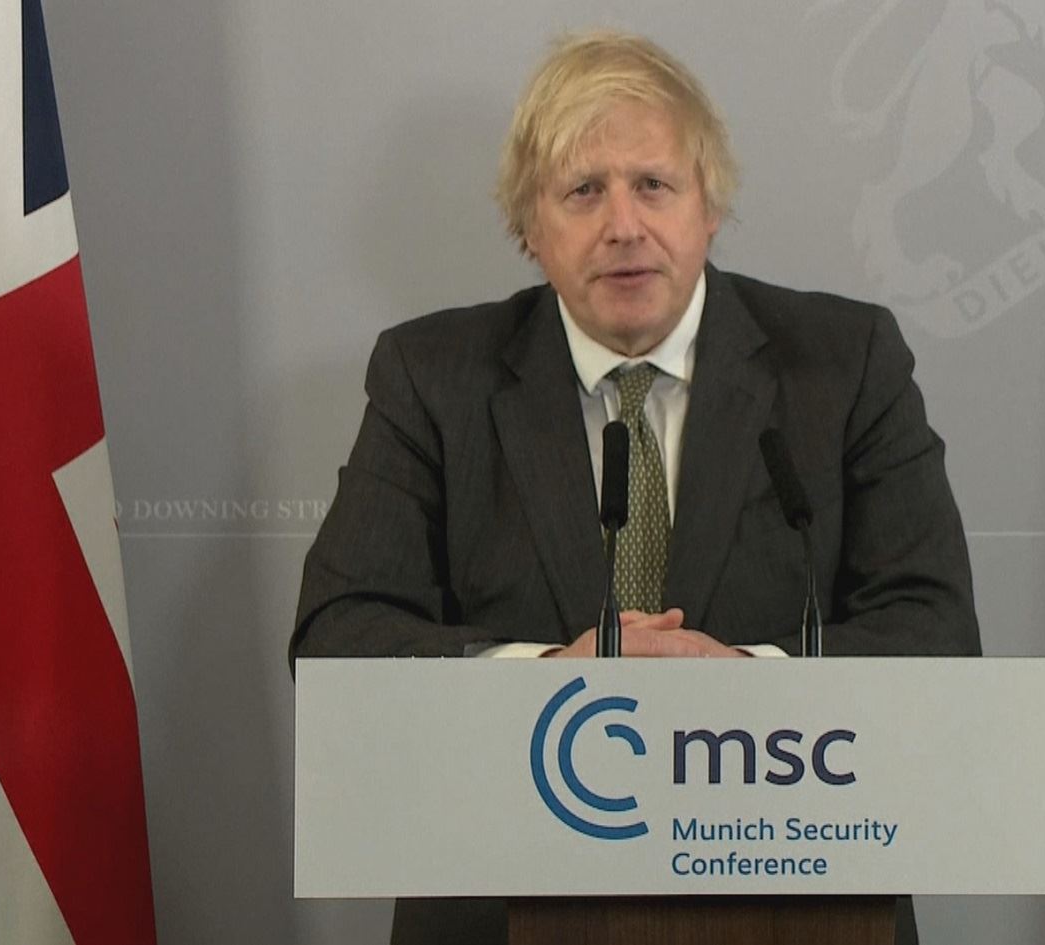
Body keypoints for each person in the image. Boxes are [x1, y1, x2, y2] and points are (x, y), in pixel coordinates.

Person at [291, 29, 979, 945]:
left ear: (709, 206)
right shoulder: (433, 377)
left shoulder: (845, 363)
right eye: (584, 190)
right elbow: (337, 644)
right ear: (529, 229)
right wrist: (545, 684)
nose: (623, 224)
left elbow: (937, 637)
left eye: (654, 184)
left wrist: (744, 686)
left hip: (796, 900)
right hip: (503, 904)